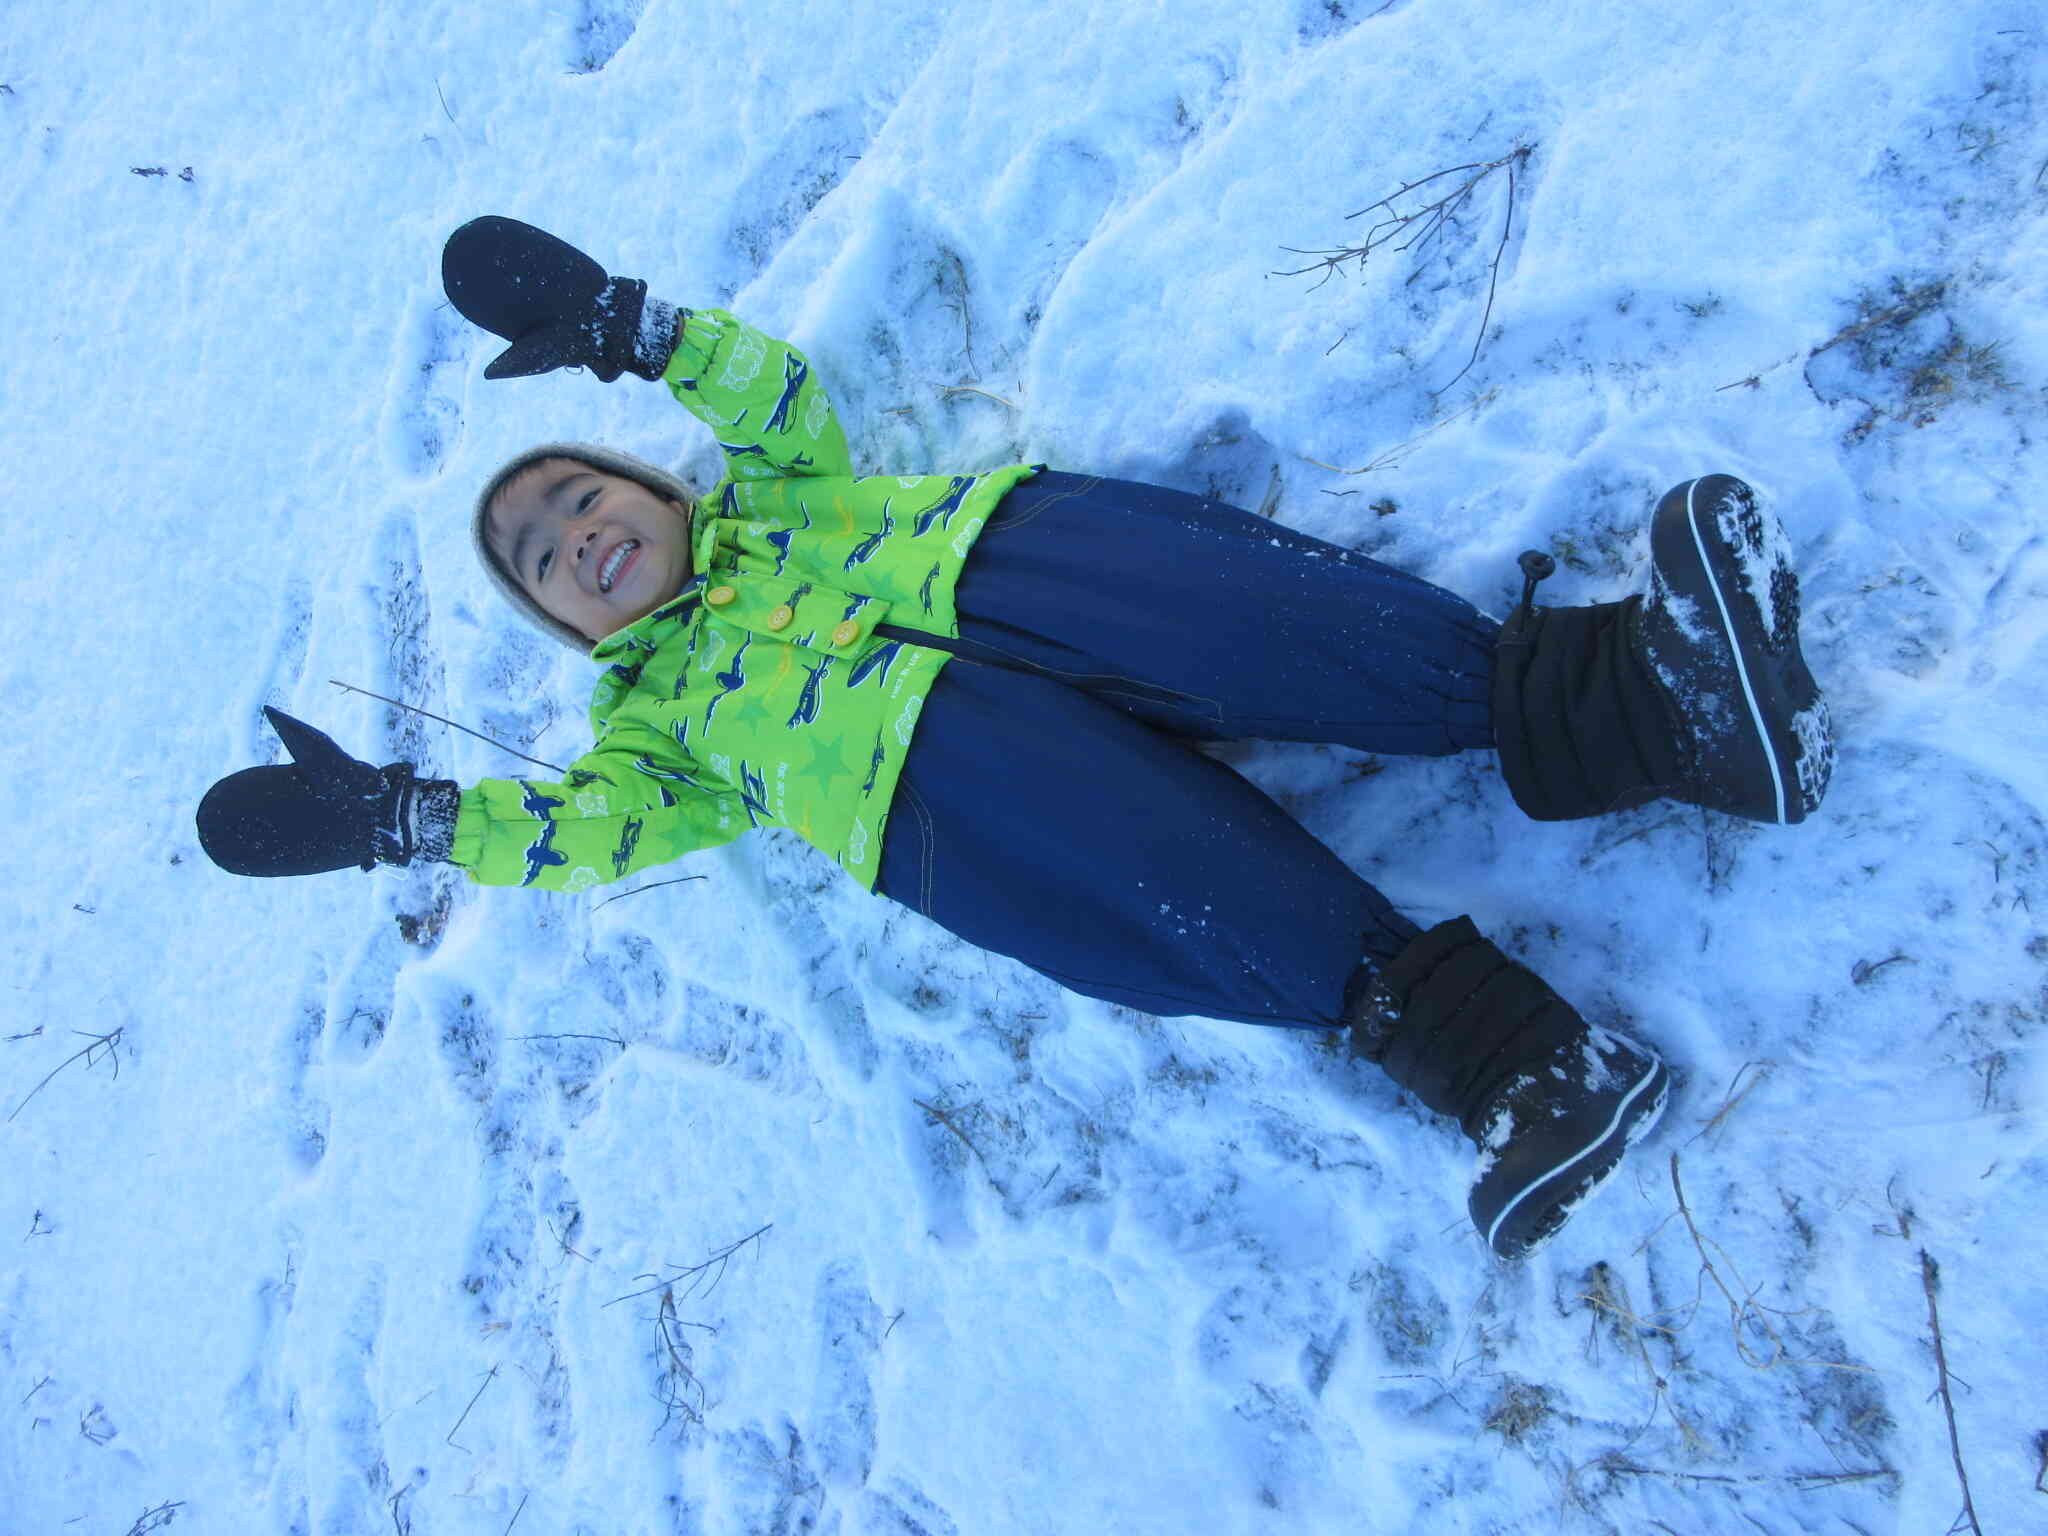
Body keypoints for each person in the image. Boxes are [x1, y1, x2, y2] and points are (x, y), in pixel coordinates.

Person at [197, 217, 1835, 1260]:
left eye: (578, 494)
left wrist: (634, 328)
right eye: (549, 562)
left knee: (1258, 618)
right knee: (1184, 897)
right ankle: (1527, 1074)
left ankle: (1656, 707)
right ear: (577, 634)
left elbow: (763, 387)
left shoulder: (786, 490)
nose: (579, 535)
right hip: (938, 801)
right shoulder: (658, 744)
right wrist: (412, 822)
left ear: (647, 485)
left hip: (1009, 567)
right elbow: (570, 836)